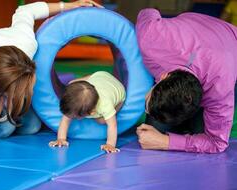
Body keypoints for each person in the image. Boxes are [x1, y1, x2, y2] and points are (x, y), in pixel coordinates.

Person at [0, 0, 102, 139]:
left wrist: (67, 6)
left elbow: (25, 11)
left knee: (32, 126)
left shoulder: (25, 43)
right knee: (5, 130)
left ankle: (5, 113)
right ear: (3, 91)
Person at [135, 8, 237, 153]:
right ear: (164, 77)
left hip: (229, 42)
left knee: (196, 132)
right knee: (154, 129)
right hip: (190, 26)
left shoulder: (219, 89)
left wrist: (165, 142)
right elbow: (148, 11)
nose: (145, 107)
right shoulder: (151, 36)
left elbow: (217, 142)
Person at [49, 71, 126, 153]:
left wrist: (110, 144)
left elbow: (112, 125)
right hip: (99, 75)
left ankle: (90, 77)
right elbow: (65, 119)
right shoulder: (79, 101)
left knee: (101, 121)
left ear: (91, 113)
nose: (69, 117)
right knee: (72, 84)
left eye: (74, 117)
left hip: (118, 89)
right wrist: (61, 139)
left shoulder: (105, 105)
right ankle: (90, 76)